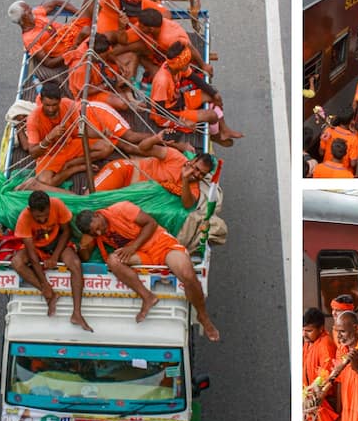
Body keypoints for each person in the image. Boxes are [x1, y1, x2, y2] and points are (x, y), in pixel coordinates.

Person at [76, 201, 219, 341]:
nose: (100, 232)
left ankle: (202, 316)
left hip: (161, 245)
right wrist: (81, 247)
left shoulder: (121, 209)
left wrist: (132, 247)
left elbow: (151, 223)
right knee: (113, 261)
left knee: (187, 275)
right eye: (95, 233)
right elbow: (86, 256)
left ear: (97, 215)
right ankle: (148, 297)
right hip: (141, 254)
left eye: (99, 227)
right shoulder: (94, 233)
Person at [11, 191, 92, 331]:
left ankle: (77, 313)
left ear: (50, 206)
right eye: (38, 217)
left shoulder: (57, 204)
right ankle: (49, 293)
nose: (42, 220)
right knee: (16, 262)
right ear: (30, 211)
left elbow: (67, 232)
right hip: (36, 248)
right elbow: (32, 257)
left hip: (57, 244)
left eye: (45, 216)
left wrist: (55, 256)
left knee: (76, 264)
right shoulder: (24, 218)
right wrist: (44, 284)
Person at [150, 41, 241, 146]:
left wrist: (214, 93)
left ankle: (224, 130)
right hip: (168, 114)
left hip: (178, 101)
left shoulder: (175, 66)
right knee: (212, 116)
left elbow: (194, 77)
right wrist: (183, 121)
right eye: (187, 63)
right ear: (180, 64)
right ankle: (215, 137)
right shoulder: (162, 81)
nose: (189, 65)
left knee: (211, 96)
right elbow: (160, 111)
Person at [24, 82, 114, 188]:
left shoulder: (68, 104)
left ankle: (70, 164)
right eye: (47, 105)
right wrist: (49, 137)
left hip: (70, 145)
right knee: (45, 182)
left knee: (107, 146)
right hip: (50, 154)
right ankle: (75, 168)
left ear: (60, 100)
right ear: (42, 101)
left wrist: (101, 133)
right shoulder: (33, 119)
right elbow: (34, 153)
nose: (51, 109)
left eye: (54, 105)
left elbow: (82, 129)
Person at [95, 132, 212, 209]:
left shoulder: (194, 187)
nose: (197, 174)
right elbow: (142, 148)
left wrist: (185, 179)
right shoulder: (175, 156)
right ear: (192, 161)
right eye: (196, 169)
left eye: (202, 174)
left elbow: (187, 205)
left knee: (99, 211)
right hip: (124, 172)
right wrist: (155, 139)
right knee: (91, 199)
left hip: (131, 197)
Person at [8, 0, 91, 90]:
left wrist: (78, 13)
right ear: (24, 18)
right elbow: (49, 63)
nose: (32, 10)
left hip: (73, 28)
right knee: (87, 31)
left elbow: (56, 2)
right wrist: (73, 48)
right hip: (72, 47)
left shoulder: (36, 14)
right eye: (28, 11)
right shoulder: (30, 39)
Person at [302, 307, 339, 421]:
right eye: (303, 330)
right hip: (310, 402)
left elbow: (326, 373)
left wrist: (311, 391)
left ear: (321, 328)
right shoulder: (309, 342)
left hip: (322, 402)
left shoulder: (325, 344)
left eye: (309, 331)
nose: (304, 334)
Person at [319, 106, 358, 173]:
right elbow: (353, 164)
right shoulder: (354, 139)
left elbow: (321, 153)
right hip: (343, 172)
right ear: (351, 121)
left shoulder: (328, 131)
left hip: (326, 170)